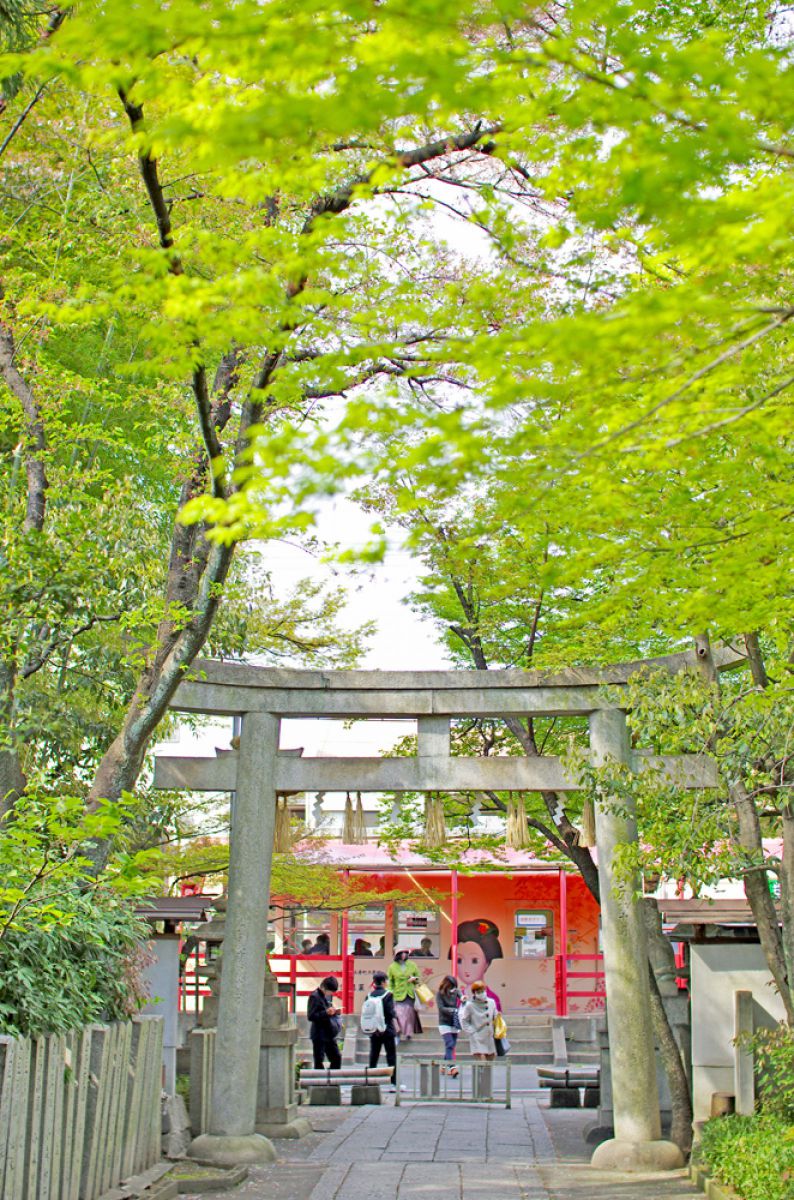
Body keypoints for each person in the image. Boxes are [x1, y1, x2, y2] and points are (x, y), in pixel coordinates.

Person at [452, 918, 504, 1011]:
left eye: (474, 960)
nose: (465, 968)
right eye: (459, 960)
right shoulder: (458, 997)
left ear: (487, 963)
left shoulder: (492, 999)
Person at [361, 970, 397, 1085]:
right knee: (391, 1056)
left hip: (374, 1030)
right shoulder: (388, 995)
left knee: (374, 1055)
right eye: (386, 980)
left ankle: (370, 1080)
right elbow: (390, 1013)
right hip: (387, 1029)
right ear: (383, 982)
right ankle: (393, 1082)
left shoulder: (369, 996)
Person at [307, 975, 342, 1069]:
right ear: (325, 987)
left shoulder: (324, 997)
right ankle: (320, 1082)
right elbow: (311, 1016)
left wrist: (334, 1012)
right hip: (319, 1035)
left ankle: (332, 1081)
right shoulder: (315, 996)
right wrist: (326, 1012)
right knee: (319, 1061)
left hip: (328, 1033)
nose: (331, 993)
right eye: (331, 991)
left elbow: (326, 1013)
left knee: (337, 1057)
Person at [387, 947, 422, 1040]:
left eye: (405, 953)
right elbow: (390, 982)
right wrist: (390, 992)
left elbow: (418, 978)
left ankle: (408, 1033)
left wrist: (414, 979)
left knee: (409, 1015)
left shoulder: (412, 965)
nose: (404, 954)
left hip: (409, 994)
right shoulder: (392, 967)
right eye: (401, 953)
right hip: (397, 994)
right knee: (399, 1014)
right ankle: (399, 1031)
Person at [459, 979, 497, 1060]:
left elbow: (495, 1016)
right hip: (477, 1036)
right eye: (478, 992)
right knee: (480, 1061)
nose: (481, 993)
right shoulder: (470, 1005)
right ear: (474, 993)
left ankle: (487, 1072)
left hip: (489, 1036)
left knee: (490, 1059)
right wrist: (472, 1031)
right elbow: (464, 1020)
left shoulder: (491, 1002)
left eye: (482, 991)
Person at [436, 974, 461, 1077]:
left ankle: (443, 1066)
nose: (453, 988)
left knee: (451, 1046)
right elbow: (441, 1008)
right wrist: (452, 1010)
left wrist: (463, 998)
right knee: (449, 1043)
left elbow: (461, 996)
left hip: (454, 1022)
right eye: (452, 986)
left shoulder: (455, 992)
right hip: (444, 1023)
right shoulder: (440, 994)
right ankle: (452, 1067)